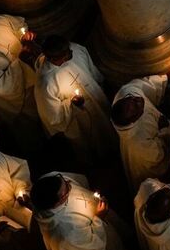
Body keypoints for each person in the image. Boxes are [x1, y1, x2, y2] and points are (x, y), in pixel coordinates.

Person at [30, 171, 129, 250]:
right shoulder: (65, 230)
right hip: (101, 242)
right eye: (67, 190)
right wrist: (99, 219)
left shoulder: (50, 180)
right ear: (57, 202)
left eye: (66, 182)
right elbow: (92, 249)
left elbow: (77, 181)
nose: (70, 185)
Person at [34, 35, 113, 165]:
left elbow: (94, 73)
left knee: (106, 130)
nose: (70, 54)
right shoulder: (46, 82)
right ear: (52, 58)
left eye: (68, 50)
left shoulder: (77, 50)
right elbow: (52, 117)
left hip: (96, 102)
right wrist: (71, 104)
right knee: (92, 145)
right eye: (65, 55)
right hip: (79, 119)